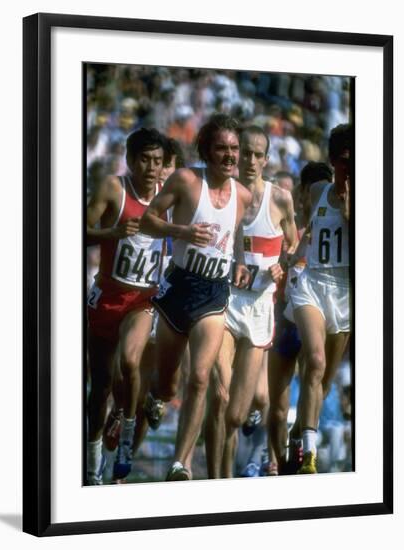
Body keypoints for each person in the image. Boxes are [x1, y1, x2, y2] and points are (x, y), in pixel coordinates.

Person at [140, 113, 252, 481]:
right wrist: (182, 231)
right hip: (180, 286)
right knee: (167, 382)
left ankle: (179, 462)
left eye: (234, 148)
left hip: (214, 293)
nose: (230, 155)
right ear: (207, 150)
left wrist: (239, 263)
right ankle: (154, 396)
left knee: (201, 377)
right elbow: (147, 221)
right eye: (222, 148)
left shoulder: (243, 196)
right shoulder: (187, 180)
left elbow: (235, 238)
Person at [205, 125, 298, 479]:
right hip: (225, 301)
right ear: (236, 153)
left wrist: (281, 266)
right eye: (245, 152)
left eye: (258, 154)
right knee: (220, 395)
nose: (251, 160)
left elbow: (292, 244)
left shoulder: (280, 199)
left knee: (235, 416)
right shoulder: (222, 195)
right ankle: (216, 480)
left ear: (266, 159)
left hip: (260, 308)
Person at [86, 127, 166, 483]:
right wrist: (112, 233)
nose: (152, 167)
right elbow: (77, 231)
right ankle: (92, 463)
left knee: (131, 360)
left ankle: (128, 431)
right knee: (100, 384)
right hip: (107, 296)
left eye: (158, 161)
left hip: (143, 299)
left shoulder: (170, 198)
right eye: (145, 160)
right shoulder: (112, 189)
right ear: (131, 160)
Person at [289, 124, 352, 474]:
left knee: (324, 382)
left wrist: (348, 210)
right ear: (332, 161)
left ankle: (298, 437)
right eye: (344, 162)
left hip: (346, 292)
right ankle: (309, 457)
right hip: (312, 283)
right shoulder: (317, 190)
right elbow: (308, 228)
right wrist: (293, 254)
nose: (350, 170)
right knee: (313, 361)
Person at [267, 161, 333, 475]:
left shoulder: (333, 228)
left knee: (320, 384)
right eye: (315, 190)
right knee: (278, 411)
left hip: (316, 322)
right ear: (304, 193)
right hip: (284, 323)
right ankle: (279, 465)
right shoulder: (285, 227)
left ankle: (300, 443)